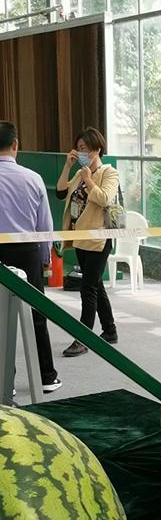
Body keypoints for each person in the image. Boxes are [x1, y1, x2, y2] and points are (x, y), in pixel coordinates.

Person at [0, 121, 62, 394]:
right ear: (16, 145)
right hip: (27, 251)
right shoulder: (33, 178)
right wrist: (46, 255)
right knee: (37, 313)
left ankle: (4, 383)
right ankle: (46, 376)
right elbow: (44, 224)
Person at [56, 127, 119, 356]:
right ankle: (110, 330)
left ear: (97, 149)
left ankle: (83, 339)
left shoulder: (108, 172)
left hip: (98, 239)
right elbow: (61, 192)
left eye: (85, 149)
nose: (81, 152)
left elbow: (104, 199)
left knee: (88, 288)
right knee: (95, 284)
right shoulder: (79, 173)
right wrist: (68, 166)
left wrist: (89, 180)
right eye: (79, 148)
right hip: (80, 238)